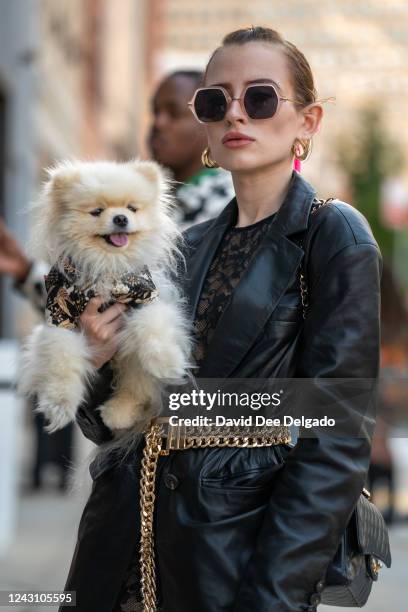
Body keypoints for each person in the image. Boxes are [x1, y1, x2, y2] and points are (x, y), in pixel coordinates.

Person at [56, 26, 381, 612]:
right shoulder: (176, 245)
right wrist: (95, 361)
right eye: (215, 100)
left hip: (233, 559)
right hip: (122, 547)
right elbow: (116, 423)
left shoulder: (334, 235)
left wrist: (274, 594)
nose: (236, 112)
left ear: (308, 121)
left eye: (260, 97)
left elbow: (333, 435)